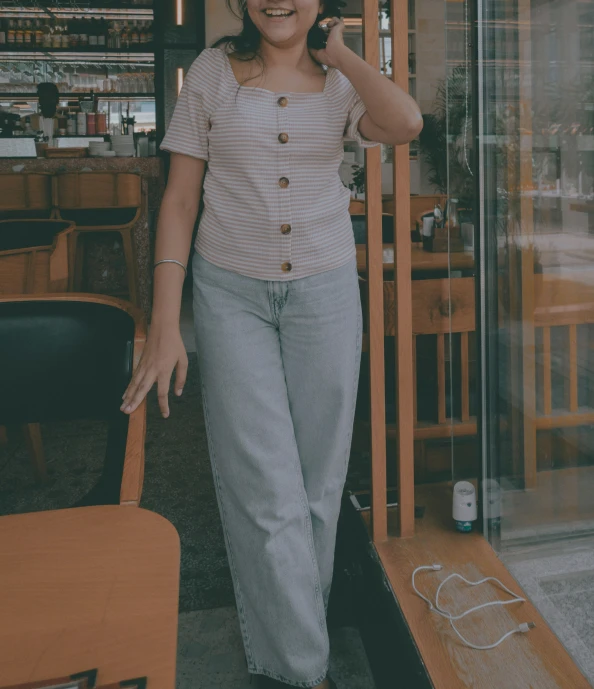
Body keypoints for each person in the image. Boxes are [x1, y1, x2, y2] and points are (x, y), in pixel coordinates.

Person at [121, 1, 422, 687]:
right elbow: (179, 201)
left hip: (325, 297)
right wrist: (167, 322)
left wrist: (340, 52)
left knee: (317, 489)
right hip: (232, 298)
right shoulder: (211, 74)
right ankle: (306, 669)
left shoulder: (342, 82)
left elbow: (405, 123)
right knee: (267, 492)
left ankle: (285, 653)